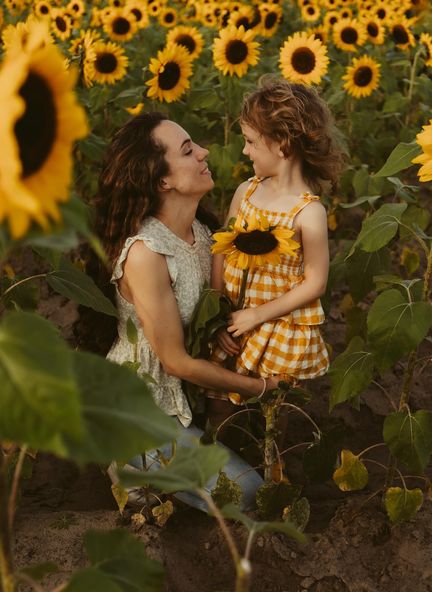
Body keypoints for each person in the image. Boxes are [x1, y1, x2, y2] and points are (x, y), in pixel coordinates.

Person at [84, 111, 282, 510]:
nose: (205, 153)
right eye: (189, 151)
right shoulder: (145, 253)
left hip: (185, 402)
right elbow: (174, 361)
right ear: (163, 181)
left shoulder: (204, 235)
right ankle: (134, 471)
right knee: (246, 493)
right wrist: (262, 389)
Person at [209, 79, 345, 450]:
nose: (244, 150)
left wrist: (258, 315)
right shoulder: (246, 191)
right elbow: (221, 251)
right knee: (219, 406)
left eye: (252, 142)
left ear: (283, 143)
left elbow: (315, 282)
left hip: (277, 325)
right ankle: (219, 484)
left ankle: (271, 482)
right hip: (234, 320)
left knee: (274, 418)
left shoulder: (309, 212)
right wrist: (219, 314)